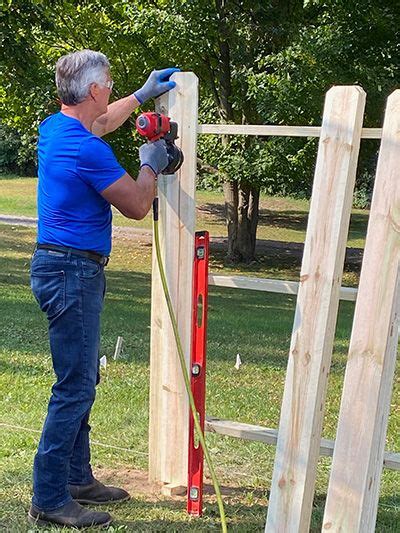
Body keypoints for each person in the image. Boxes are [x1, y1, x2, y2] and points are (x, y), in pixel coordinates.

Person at [28, 49, 179, 529]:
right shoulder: (85, 148)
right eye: (110, 82)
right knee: (73, 387)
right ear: (94, 90)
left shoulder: (57, 127)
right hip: (72, 273)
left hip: (61, 268)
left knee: (82, 378)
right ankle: (49, 497)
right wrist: (151, 164)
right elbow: (136, 204)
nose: (112, 87)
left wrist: (142, 93)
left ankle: (76, 477)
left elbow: (103, 121)